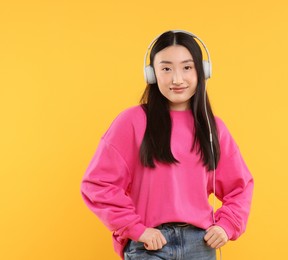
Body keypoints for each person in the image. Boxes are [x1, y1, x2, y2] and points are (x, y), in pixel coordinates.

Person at [81, 30, 254, 260]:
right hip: (150, 246)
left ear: (202, 71)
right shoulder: (131, 122)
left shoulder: (214, 129)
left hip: (200, 245)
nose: (177, 79)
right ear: (151, 74)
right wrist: (135, 228)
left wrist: (227, 225)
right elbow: (97, 184)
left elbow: (240, 187)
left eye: (187, 67)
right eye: (166, 68)